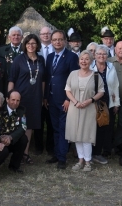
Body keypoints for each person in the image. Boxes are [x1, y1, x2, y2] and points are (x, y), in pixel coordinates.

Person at [44, 30, 80, 169]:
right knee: (55, 128)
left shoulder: (71, 57)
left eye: (60, 39)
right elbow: (48, 78)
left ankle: (62, 158)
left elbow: (73, 79)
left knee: (64, 127)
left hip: (64, 100)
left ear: (65, 41)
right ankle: (57, 153)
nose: (57, 42)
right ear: (51, 42)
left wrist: (68, 99)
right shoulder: (50, 57)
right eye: (54, 40)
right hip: (52, 99)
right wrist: (46, 96)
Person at [8, 34, 45, 164]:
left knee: (30, 126)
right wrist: (10, 96)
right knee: (19, 125)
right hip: (20, 98)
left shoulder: (41, 60)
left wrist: (43, 96)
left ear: (37, 45)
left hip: (35, 97)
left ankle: (25, 153)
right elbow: (12, 79)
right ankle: (14, 153)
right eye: (28, 43)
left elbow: (43, 81)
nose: (31, 46)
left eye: (33, 43)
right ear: (25, 45)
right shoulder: (19, 59)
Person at [65, 51, 104, 171]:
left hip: (89, 108)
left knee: (87, 135)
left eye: (87, 59)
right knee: (77, 135)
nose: (84, 61)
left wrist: (90, 100)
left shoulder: (96, 75)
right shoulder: (73, 74)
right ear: (78, 61)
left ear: (91, 61)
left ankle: (88, 161)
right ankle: (80, 160)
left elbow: (101, 91)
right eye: (82, 59)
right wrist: (75, 102)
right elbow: (67, 90)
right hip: (74, 108)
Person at [90, 45, 120, 164]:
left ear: (107, 56)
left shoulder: (111, 66)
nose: (101, 56)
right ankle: (91, 153)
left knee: (105, 128)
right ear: (95, 55)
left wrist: (116, 103)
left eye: (104, 54)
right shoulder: (90, 67)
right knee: (94, 128)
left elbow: (116, 85)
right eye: (99, 54)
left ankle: (99, 153)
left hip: (108, 102)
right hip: (93, 102)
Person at [0, 90, 28, 173]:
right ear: (7, 99)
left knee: (23, 139)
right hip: (0, 139)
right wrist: (1, 138)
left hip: (13, 139)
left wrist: (11, 137)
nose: (15, 103)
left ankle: (14, 166)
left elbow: (23, 127)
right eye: (13, 100)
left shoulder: (22, 110)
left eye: (18, 100)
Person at [35, 26, 54, 156]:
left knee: (51, 120)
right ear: (40, 35)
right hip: (37, 89)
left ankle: (50, 147)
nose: (46, 35)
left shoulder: (56, 49)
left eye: (48, 33)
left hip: (53, 89)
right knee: (38, 120)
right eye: (43, 34)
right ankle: (38, 147)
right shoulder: (35, 50)